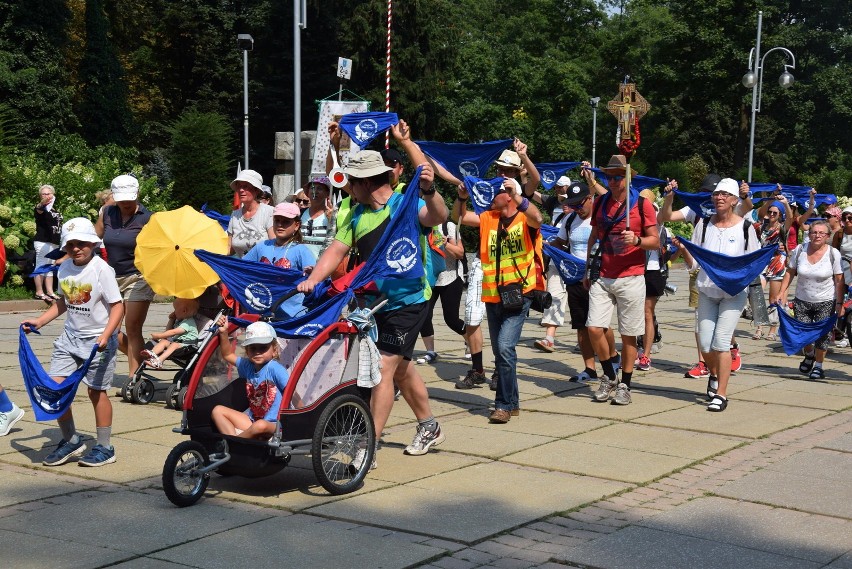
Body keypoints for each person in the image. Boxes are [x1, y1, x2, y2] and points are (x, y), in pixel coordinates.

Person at [297, 144, 448, 467]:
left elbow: (437, 216)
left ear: (366, 182)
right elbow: (337, 250)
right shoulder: (356, 212)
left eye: (351, 182)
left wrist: (431, 190)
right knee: (401, 369)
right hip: (374, 303)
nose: (348, 188)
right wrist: (314, 279)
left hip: (409, 299)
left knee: (381, 369)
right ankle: (429, 426)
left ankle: (369, 445)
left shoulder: (403, 204)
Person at [22, 217, 124, 465]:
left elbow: (118, 307)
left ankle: (104, 446)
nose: (76, 248)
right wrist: (41, 321)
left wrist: (107, 334)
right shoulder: (65, 268)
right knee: (55, 389)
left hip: (97, 341)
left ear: (93, 243)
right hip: (70, 339)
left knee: (95, 392)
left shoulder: (102, 269)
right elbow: (63, 302)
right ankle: (71, 440)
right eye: (70, 245)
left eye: (82, 243)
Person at [455, 153, 544, 423]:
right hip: (493, 295)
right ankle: (513, 401)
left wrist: (517, 195)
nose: (490, 196)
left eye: (497, 192)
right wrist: (461, 197)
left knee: (505, 348)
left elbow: (538, 218)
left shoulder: (523, 219)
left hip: (520, 293)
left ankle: (503, 404)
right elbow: (459, 217)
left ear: (508, 196)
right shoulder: (488, 218)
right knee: (502, 352)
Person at [674, 178, 759, 412]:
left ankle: (721, 394)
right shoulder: (703, 225)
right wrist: (684, 250)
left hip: (733, 294)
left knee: (721, 342)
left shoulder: (745, 228)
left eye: (724, 194)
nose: (719, 198)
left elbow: (754, 262)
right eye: (716, 194)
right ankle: (714, 373)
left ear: (734, 200)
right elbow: (694, 264)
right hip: (707, 291)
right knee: (705, 343)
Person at [585, 155, 659, 406]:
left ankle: (625, 384)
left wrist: (637, 241)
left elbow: (655, 241)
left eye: (618, 176)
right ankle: (609, 374)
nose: (613, 181)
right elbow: (594, 235)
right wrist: (587, 268)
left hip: (631, 276)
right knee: (594, 327)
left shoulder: (641, 205)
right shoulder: (601, 202)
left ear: (627, 178)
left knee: (629, 335)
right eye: (609, 176)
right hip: (603, 274)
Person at [659, 174, 745, 377]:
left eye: (715, 193)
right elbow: (667, 217)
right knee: (702, 324)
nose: (711, 197)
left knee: (721, 330)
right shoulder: (694, 210)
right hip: (700, 271)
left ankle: (730, 347)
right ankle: (704, 362)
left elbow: (746, 210)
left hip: (726, 278)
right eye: (708, 193)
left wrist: (745, 195)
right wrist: (670, 197)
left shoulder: (733, 212)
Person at [549, 181, 619, 383]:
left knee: (599, 324)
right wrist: (547, 245)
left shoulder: (601, 219)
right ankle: (589, 368)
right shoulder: (569, 219)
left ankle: (613, 356)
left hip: (597, 277)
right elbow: (561, 242)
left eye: (580, 204)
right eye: (573, 205)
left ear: (590, 199)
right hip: (574, 278)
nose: (577, 208)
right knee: (581, 325)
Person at [96, 174, 154, 376]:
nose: (126, 203)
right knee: (108, 327)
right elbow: (94, 238)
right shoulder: (107, 212)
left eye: (129, 198)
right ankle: (144, 357)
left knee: (133, 326)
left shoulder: (148, 217)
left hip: (139, 276)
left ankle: (134, 378)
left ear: (137, 194)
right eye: (121, 199)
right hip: (112, 276)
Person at [775, 220, 845, 379]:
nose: (817, 235)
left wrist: (839, 304)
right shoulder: (800, 250)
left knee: (822, 335)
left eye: (822, 233)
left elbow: (839, 280)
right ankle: (809, 354)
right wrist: (781, 292)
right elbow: (790, 272)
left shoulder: (833, 253)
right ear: (809, 234)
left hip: (826, 300)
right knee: (803, 333)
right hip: (802, 299)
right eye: (814, 232)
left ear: (827, 236)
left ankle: (819, 366)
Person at [211, 320, 290, 439]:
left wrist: (303, 417)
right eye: (253, 348)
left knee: (260, 425)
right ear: (247, 351)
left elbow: (292, 393)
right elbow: (227, 355)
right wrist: (223, 332)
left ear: (274, 351)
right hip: (252, 420)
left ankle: (235, 443)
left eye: (263, 348)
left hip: (275, 425)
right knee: (217, 411)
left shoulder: (274, 368)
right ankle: (236, 440)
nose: (257, 352)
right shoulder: (248, 366)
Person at [244, 202, 316, 318]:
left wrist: (312, 274)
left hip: (293, 316)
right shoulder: (262, 246)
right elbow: (242, 267)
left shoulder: (300, 250)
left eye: (286, 222)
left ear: (296, 225)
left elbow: (316, 278)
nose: (280, 225)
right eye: (277, 220)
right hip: (263, 313)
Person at [415, 220, 467, 364]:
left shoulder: (448, 226)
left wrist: (445, 243)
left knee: (452, 319)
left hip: (450, 277)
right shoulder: (420, 226)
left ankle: (470, 340)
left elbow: (460, 253)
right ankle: (430, 352)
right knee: (424, 315)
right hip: (429, 279)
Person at [533, 176, 572, 352]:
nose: (558, 192)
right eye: (556, 188)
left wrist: (591, 179)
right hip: (557, 257)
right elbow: (531, 195)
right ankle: (549, 338)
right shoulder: (552, 202)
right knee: (554, 294)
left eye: (561, 189)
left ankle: (588, 338)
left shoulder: (585, 214)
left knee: (583, 301)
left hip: (578, 262)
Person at [752, 194, 793, 341]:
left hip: (777, 263)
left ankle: (773, 328)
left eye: (775, 213)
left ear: (780, 215)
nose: (771, 215)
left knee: (774, 299)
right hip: (763, 263)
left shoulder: (782, 228)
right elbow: (759, 213)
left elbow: (790, 219)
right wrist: (769, 199)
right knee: (757, 295)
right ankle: (759, 327)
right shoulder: (762, 226)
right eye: (770, 212)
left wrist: (786, 204)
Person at [140, 297, 200, 369]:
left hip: (188, 346)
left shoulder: (189, 322)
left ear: (184, 311)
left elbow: (173, 332)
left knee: (174, 345)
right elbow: (168, 330)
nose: (174, 312)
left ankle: (159, 361)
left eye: (175, 310)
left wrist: (159, 336)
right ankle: (152, 354)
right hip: (178, 343)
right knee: (164, 341)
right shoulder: (180, 321)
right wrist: (171, 319)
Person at [228, 169, 275, 258]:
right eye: (239, 186)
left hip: (262, 269)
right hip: (241, 269)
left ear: (256, 190)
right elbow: (229, 249)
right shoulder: (234, 215)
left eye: (245, 186)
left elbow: (275, 246)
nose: (241, 190)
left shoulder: (269, 212)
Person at [33, 184, 63, 301]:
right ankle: (39, 291)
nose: (46, 196)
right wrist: (42, 203)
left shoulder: (54, 209)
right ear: (40, 196)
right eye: (43, 194)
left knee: (50, 266)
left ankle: (50, 291)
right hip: (42, 241)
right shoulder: (41, 208)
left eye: (48, 193)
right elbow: (39, 208)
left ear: (53, 194)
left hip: (54, 241)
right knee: (41, 264)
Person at [300, 177, 334, 259]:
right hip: (301, 266)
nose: (315, 191)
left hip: (322, 266)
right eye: (312, 188)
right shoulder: (300, 213)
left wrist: (332, 220)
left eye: (319, 188)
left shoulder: (332, 214)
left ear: (327, 193)